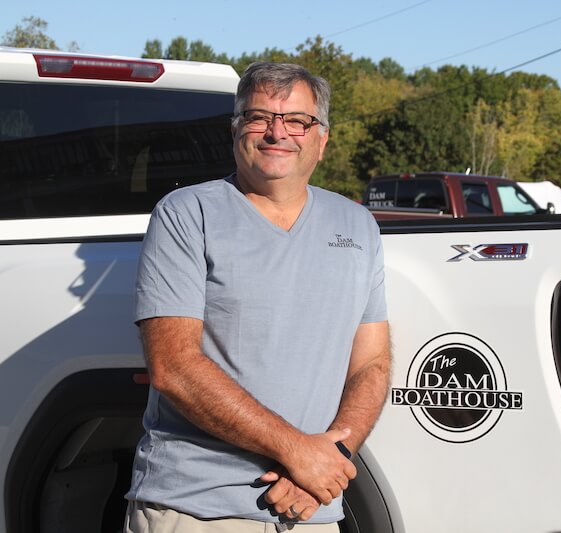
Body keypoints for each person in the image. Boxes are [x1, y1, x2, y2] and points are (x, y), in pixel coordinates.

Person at [124, 61, 391, 532]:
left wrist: (330, 458)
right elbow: (173, 367)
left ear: (322, 139)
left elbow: (371, 363)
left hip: (311, 509)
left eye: (297, 120)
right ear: (235, 130)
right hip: (197, 510)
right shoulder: (186, 214)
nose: (277, 132)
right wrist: (297, 451)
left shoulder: (358, 225)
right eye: (258, 117)